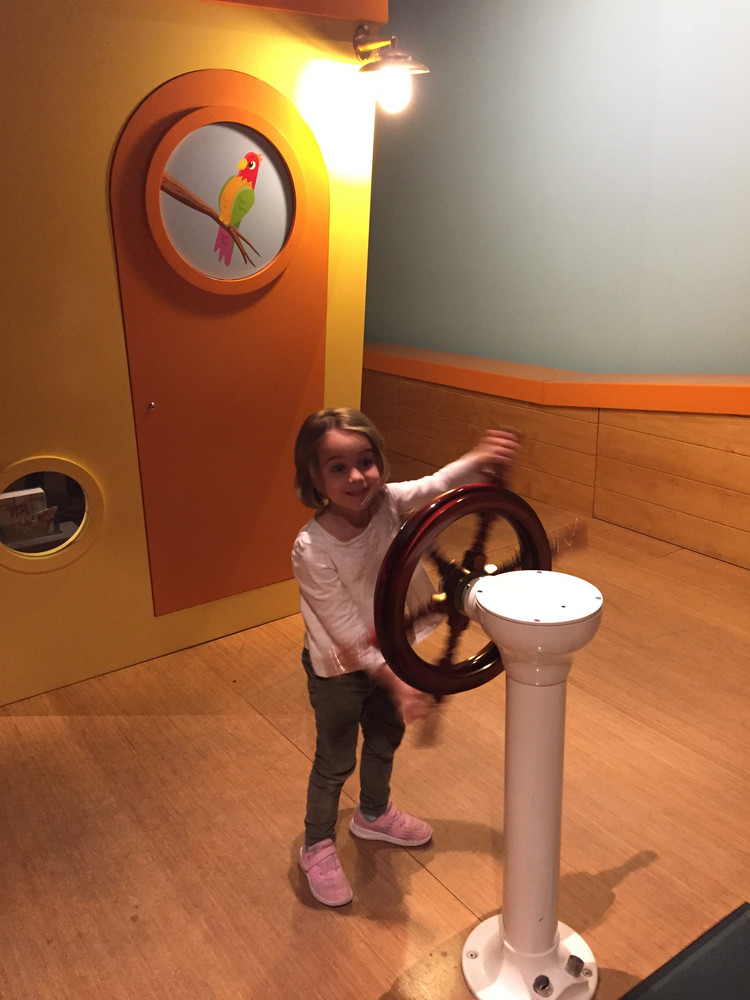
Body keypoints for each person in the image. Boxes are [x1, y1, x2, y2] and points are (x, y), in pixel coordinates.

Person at [292, 407, 519, 906]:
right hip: (338, 670)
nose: (357, 477)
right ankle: (317, 843)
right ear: (313, 478)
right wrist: (398, 682)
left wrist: (479, 457)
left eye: (366, 461)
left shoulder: (387, 503)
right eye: (337, 468)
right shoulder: (311, 549)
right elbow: (345, 632)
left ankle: (373, 814)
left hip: (394, 654)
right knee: (334, 760)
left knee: (383, 740)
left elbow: (436, 484)